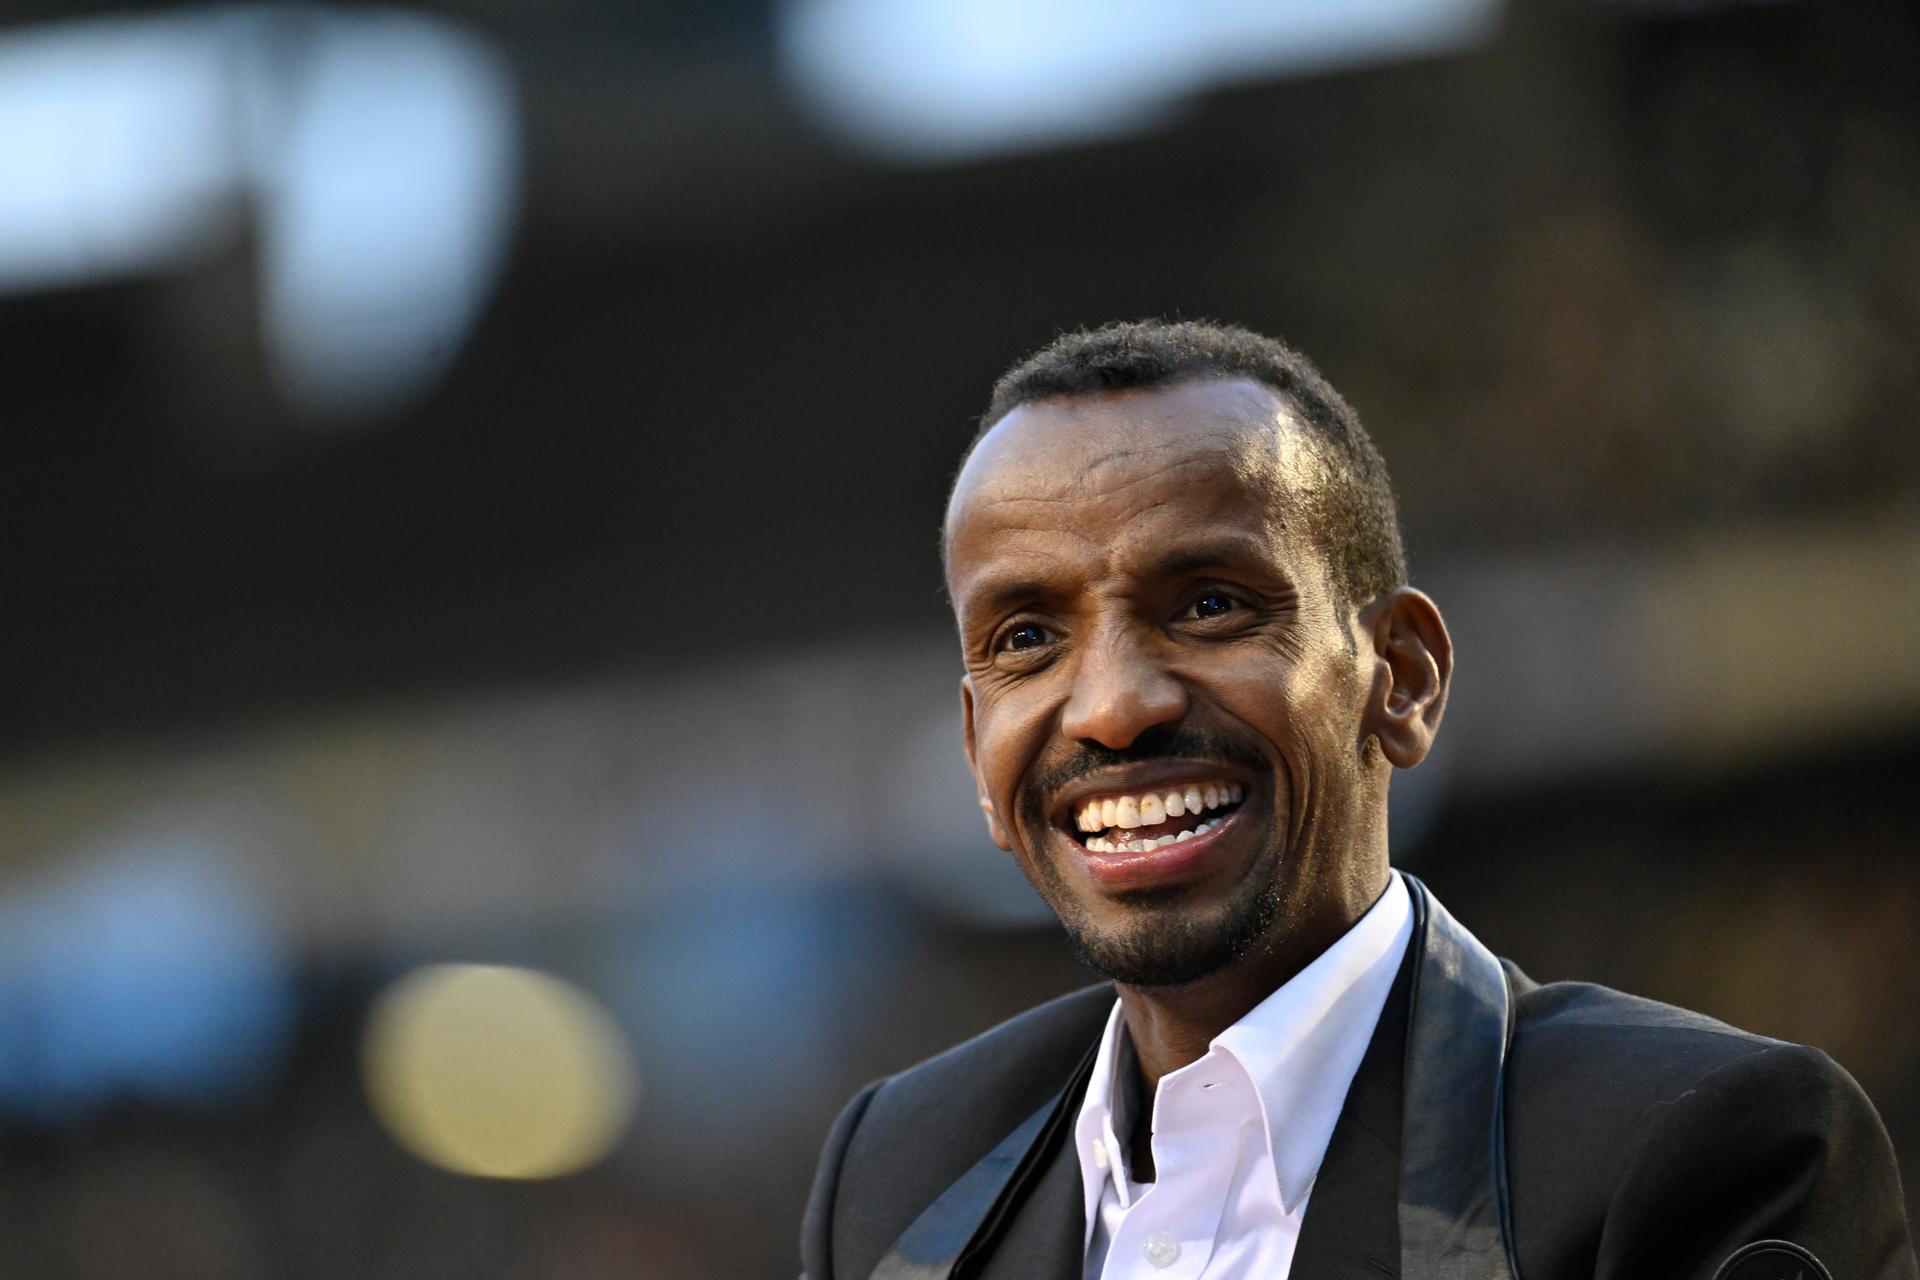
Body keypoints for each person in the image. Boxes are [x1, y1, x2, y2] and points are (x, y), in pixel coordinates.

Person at [799, 320, 1916, 1280]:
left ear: (1405, 676)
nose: (1113, 706)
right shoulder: (898, 1173)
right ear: (974, 747)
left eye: (1209, 604)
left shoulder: (1704, 1148)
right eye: (1028, 638)